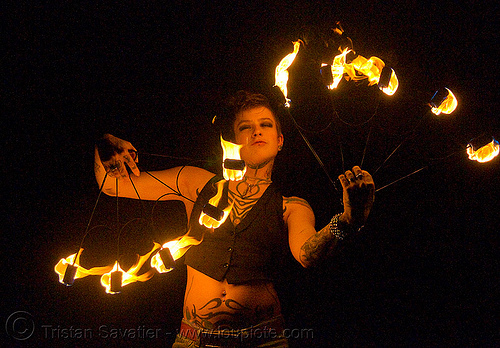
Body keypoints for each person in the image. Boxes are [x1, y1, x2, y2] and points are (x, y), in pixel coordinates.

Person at [94, 90, 375, 347]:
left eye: (265, 125)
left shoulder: (291, 206)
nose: (256, 132)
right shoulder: (195, 183)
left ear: (279, 141)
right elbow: (110, 185)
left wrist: (349, 220)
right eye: (245, 127)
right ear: (232, 141)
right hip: (194, 339)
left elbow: (306, 254)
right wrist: (103, 145)